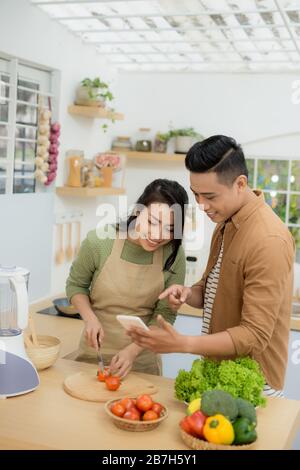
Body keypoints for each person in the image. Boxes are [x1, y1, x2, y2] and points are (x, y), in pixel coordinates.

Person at [129, 136, 295, 396]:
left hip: (253, 386)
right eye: (196, 194)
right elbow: (209, 289)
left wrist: (182, 343)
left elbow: (254, 335)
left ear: (240, 184)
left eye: (209, 196)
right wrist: (187, 293)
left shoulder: (268, 240)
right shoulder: (226, 223)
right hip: (220, 376)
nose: (201, 205)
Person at [66, 179, 188, 377]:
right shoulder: (99, 242)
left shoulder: (174, 254)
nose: (158, 235)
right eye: (152, 222)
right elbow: (76, 286)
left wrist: (132, 351)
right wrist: (90, 319)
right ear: (138, 212)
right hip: (92, 355)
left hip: (142, 362)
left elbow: (166, 314)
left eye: (170, 228)